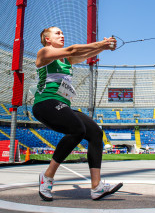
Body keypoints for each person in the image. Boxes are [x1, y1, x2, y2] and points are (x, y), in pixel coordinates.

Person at [32, 26, 122, 201]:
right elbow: (74, 49)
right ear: (47, 38)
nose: (62, 35)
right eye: (57, 33)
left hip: (61, 104)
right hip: (45, 103)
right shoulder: (44, 52)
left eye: (63, 33)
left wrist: (104, 47)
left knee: (96, 133)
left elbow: (83, 54)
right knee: (77, 129)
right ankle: (47, 176)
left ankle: (96, 187)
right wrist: (102, 43)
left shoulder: (66, 60)